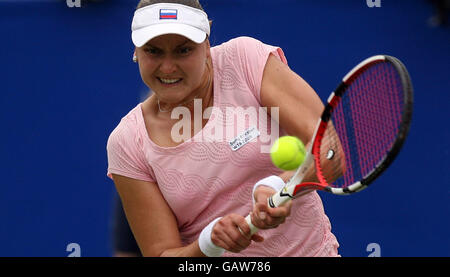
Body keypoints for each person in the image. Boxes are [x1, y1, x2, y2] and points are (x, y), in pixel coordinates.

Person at [107, 0, 340, 257]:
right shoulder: (127, 141)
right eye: (153, 51)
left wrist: (279, 186)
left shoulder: (244, 59)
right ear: (136, 52)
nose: (168, 67)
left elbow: (330, 152)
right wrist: (208, 243)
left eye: (183, 50)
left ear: (206, 46)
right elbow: (162, 253)